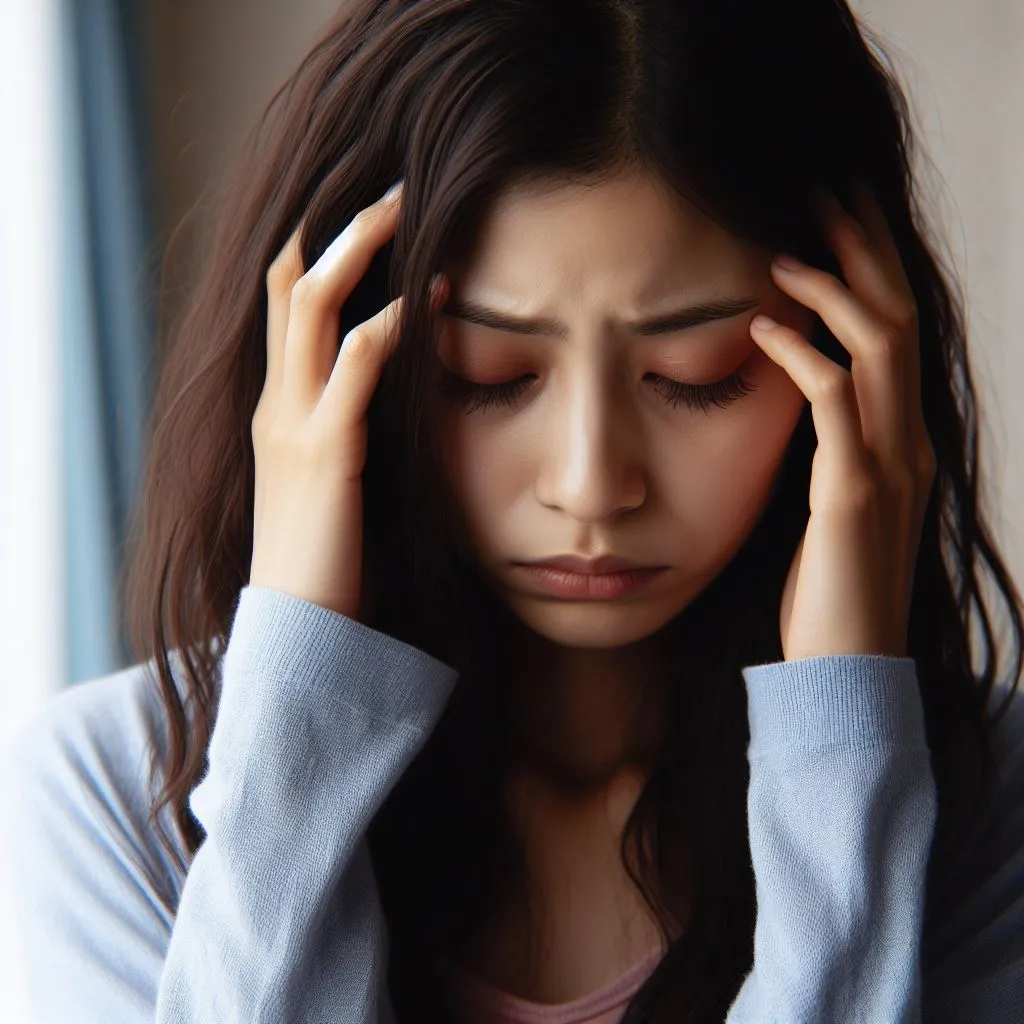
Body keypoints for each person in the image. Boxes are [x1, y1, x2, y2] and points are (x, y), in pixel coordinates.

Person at [4, 0, 1023, 1021]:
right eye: (485, 372)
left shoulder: (989, 805)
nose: (588, 484)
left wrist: (845, 749)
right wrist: (295, 721)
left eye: (695, 374)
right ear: (321, 372)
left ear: (864, 367)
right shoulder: (106, 799)